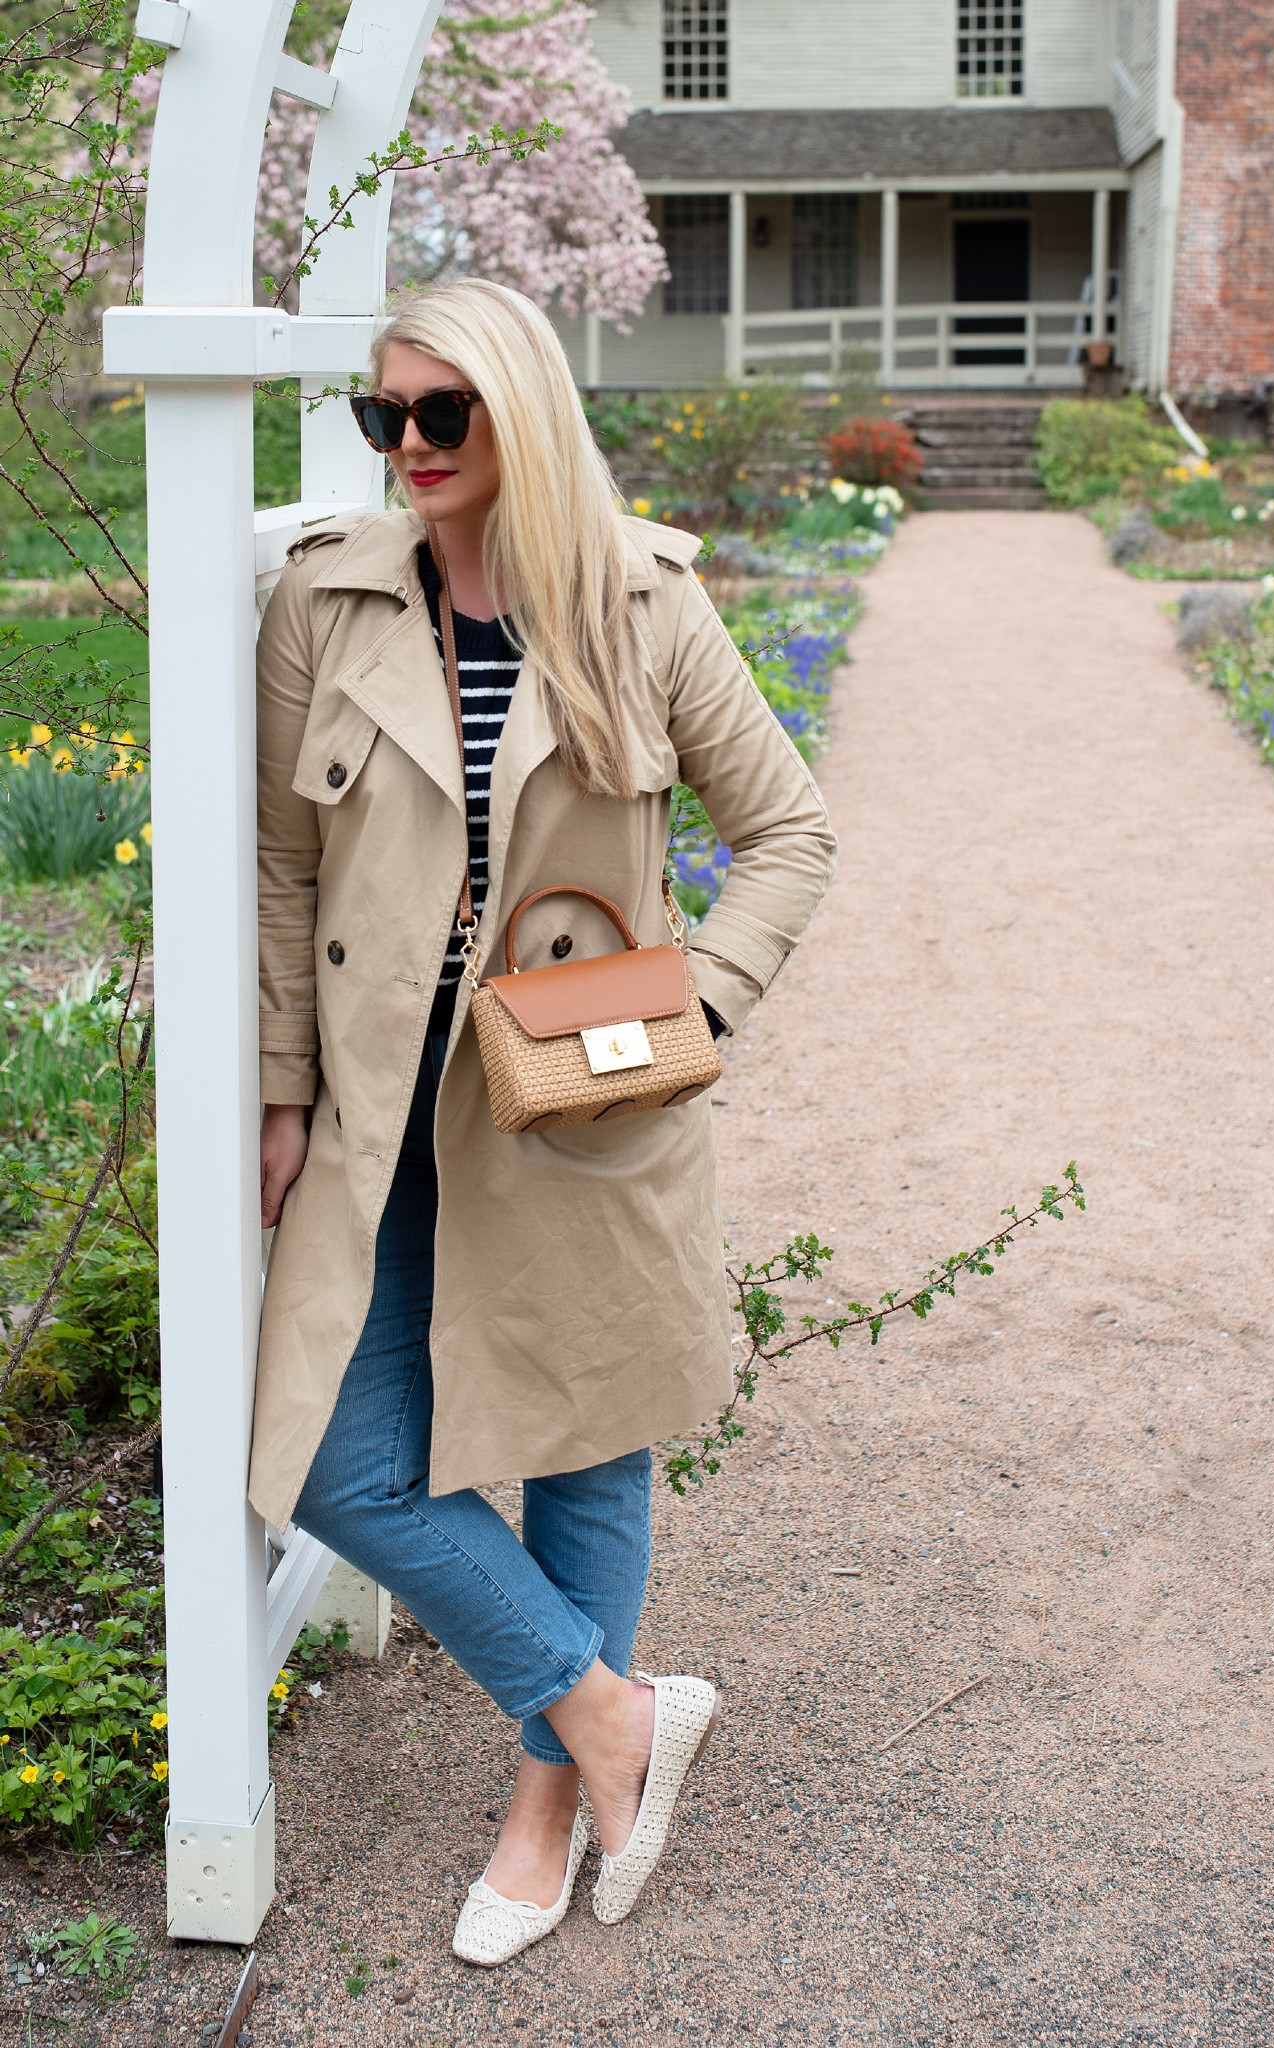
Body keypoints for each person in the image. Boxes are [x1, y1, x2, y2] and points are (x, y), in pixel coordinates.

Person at [251, 278, 835, 1966]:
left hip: (581, 1096)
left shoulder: (639, 602)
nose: (408, 448)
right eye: (384, 417)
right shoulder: (329, 604)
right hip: (378, 1104)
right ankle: (614, 1714)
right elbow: (289, 872)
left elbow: (788, 833)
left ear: (523, 412)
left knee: (587, 1439)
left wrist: (685, 1012)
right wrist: (283, 1092)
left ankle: (544, 1800)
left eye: (444, 414)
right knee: (332, 1461)